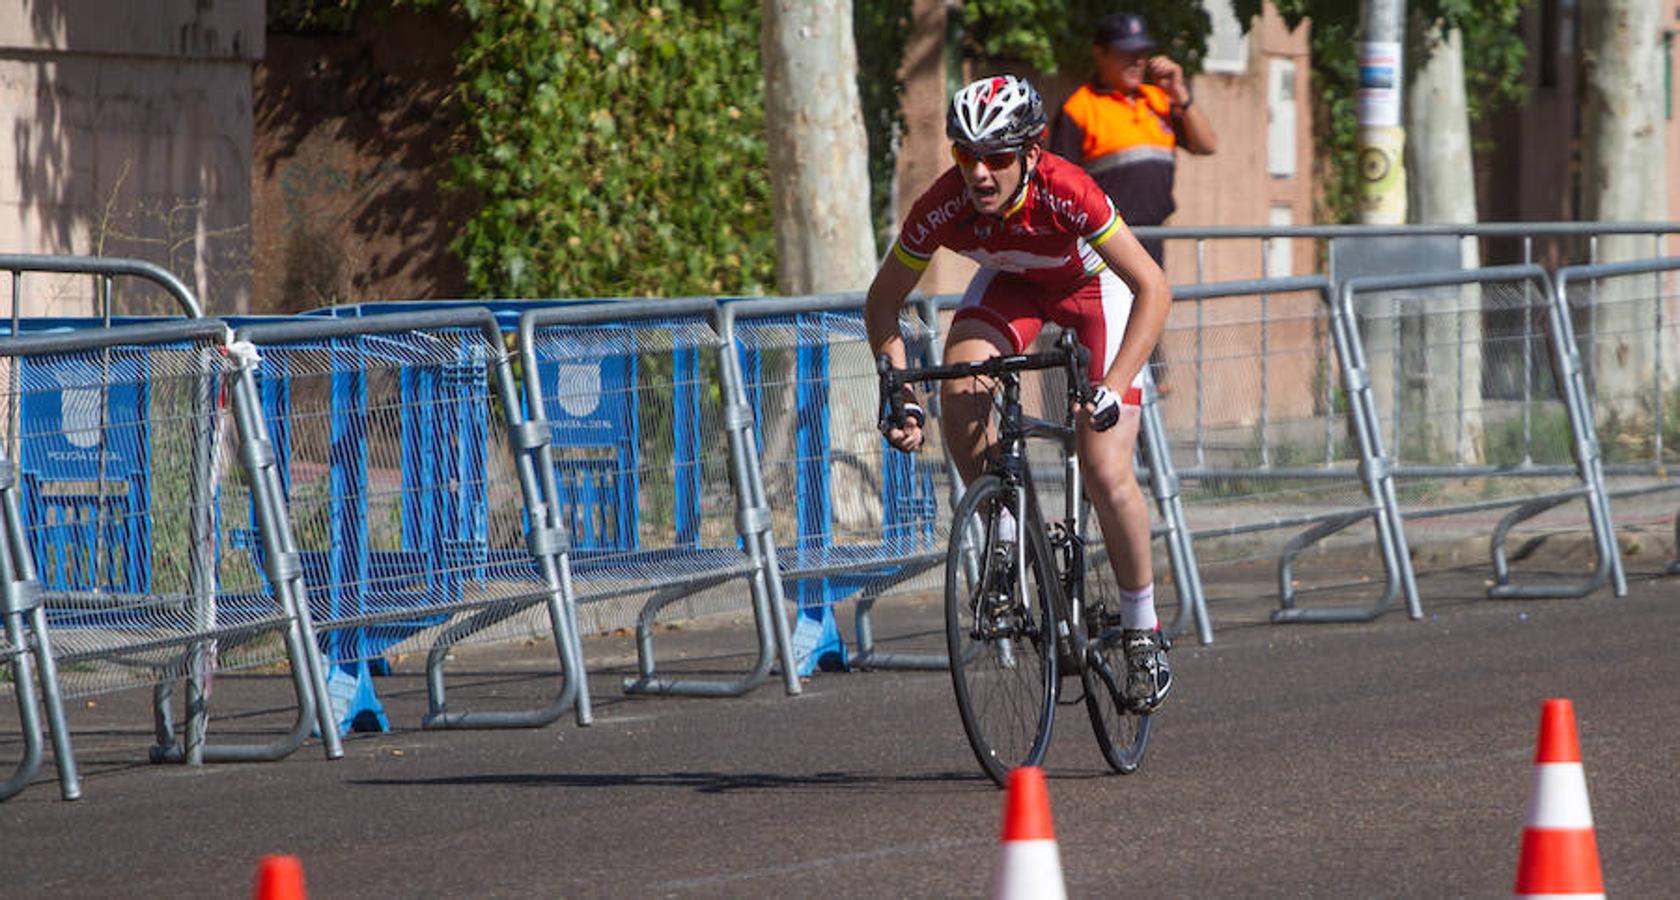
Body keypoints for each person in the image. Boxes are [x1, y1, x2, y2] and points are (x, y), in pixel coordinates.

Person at [865, 74, 1172, 709]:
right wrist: (899, 393)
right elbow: (884, 301)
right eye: (966, 155)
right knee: (961, 378)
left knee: (1104, 464)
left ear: (1030, 155)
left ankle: (1143, 630)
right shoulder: (943, 203)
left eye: (997, 158)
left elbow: (1152, 286)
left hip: (1095, 294)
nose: (979, 173)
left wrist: (1112, 387)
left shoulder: (1066, 190)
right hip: (1012, 290)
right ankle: (1004, 527)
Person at [1049, 12, 1217, 390]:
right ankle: (1088, 420)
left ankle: (1145, 416)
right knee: (1105, 330)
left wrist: (1181, 93)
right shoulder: (1081, 107)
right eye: (1126, 54)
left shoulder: (1159, 99)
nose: (1137, 62)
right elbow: (1057, 183)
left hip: (1151, 235)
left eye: (1142, 53)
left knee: (1146, 313)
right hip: (1103, 242)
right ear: (1101, 54)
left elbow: (1208, 145)